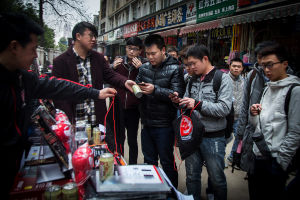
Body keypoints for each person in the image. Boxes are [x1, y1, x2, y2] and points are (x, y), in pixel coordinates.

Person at [0, 13, 118, 198]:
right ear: (14, 46)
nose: (34, 56)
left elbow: (58, 86)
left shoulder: (22, 77)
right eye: (32, 49)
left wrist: (96, 93)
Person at [170, 45, 232, 200]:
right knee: (191, 176)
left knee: (216, 179)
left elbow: (224, 108)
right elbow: (187, 102)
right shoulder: (192, 79)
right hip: (192, 136)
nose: (190, 67)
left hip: (213, 137)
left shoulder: (222, 78)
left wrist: (197, 104)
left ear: (205, 59)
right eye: (188, 64)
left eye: (193, 63)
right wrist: (179, 101)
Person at [52, 22, 135, 126]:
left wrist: (125, 81)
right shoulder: (61, 61)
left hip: (97, 122)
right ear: (78, 36)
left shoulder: (98, 58)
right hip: (74, 123)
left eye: (95, 36)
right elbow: (58, 95)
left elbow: (110, 75)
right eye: (91, 35)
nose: (94, 39)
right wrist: (67, 121)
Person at [248, 42, 300, 200]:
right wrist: (254, 114)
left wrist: (280, 163)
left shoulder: (294, 90)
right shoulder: (267, 88)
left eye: (270, 65)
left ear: (285, 64)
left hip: (276, 160)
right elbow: (258, 125)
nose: (266, 70)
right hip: (259, 156)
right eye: (263, 66)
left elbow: (295, 132)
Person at [135, 34, 185, 188]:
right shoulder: (143, 68)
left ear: (163, 50)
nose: (150, 57)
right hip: (147, 123)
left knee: (167, 162)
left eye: (153, 54)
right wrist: (136, 89)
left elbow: (177, 95)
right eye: (147, 54)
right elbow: (136, 85)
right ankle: (152, 190)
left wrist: (154, 90)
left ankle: (172, 192)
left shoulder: (175, 69)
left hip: (165, 125)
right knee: (149, 161)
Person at [111, 36, 147, 164]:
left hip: (134, 109)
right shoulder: (118, 63)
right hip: (118, 107)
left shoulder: (144, 65)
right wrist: (112, 68)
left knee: (132, 140)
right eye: (129, 48)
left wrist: (142, 68)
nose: (131, 51)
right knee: (119, 139)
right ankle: (119, 163)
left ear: (140, 51)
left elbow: (149, 82)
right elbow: (107, 78)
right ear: (125, 48)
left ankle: (132, 165)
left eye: (135, 49)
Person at [226, 57, 245, 163]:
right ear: (229, 67)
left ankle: (232, 157)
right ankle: (218, 157)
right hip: (226, 116)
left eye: (239, 66)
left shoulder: (244, 81)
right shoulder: (224, 79)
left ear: (242, 68)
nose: (236, 68)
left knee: (238, 137)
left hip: (239, 116)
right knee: (224, 139)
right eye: (234, 66)